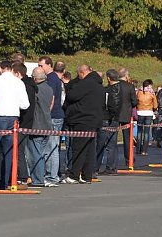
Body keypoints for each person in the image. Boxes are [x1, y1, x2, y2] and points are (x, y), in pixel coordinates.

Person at [0, 60, 30, 190]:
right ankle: (4, 182)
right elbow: (25, 104)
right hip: (13, 119)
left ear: (1, 69)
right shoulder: (19, 82)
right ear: (11, 69)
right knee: (8, 153)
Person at [62, 64, 104, 183]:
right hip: (94, 119)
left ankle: (74, 175)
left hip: (82, 119)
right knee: (90, 148)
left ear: (82, 73)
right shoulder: (99, 84)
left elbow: (71, 96)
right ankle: (87, 175)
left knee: (78, 148)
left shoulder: (86, 83)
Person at [37, 56, 64, 185]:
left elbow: (51, 99)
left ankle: (52, 176)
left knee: (51, 147)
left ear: (49, 65)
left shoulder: (52, 79)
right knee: (51, 146)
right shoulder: (53, 78)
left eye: (41, 65)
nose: (39, 68)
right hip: (54, 115)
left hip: (53, 116)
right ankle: (52, 174)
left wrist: (46, 114)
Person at [26, 67, 54, 187]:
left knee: (35, 154)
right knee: (41, 153)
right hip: (47, 124)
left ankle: (37, 178)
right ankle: (39, 176)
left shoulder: (36, 90)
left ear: (34, 78)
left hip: (37, 125)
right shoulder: (49, 88)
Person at [97, 69, 122, 175]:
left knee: (101, 144)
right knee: (112, 144)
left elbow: (112, 105)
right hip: (116, 119)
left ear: (108, 78)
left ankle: (97, 166)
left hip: (108, 118)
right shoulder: (123, 88)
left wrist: (111, 115)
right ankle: (111, 166)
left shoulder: (109, 90)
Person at [116, 68, 138, 163]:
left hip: (115, 113)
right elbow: (134, 101)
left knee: (112, 137)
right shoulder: (130, 86)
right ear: (126, 75)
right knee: (127, 138)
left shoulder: (114, 85)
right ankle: (128, 158)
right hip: (126, 113)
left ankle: (112, 160)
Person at [136, 79, 157, 155]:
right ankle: (144, 150)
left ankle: (138, 149)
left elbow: (136, 101)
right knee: (146, 132)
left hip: (140, 112)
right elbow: (155, 105)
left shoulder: (139, 92)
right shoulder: (151, 93)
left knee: (139, 132)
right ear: (149, 85)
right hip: (148, 113)